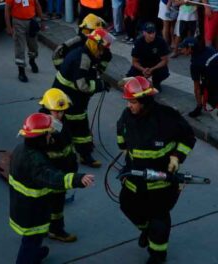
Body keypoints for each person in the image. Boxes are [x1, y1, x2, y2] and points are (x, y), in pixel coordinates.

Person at [116, 76, 196, 264]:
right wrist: (123, 147)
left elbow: (188, 138)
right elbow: (121, 134)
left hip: (161, 183)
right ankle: (146, 229)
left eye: (133, 102)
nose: (129, 106)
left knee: (159, 221)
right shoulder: (127, 116)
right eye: (128, 101)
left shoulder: (167, 117)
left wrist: (177, 157)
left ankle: (157, 255)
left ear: (144, 101)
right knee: (127, 206)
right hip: (134, 178)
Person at [10, 113, 95, 264]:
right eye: (49, 134)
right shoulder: (36, 161)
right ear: (40, 137)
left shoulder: (20, 150)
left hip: (22, 207)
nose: (51, 137)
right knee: (31, 241)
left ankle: (35, 254)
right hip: (33, 212)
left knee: (32, 239)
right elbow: (52, 178)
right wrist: (77, 179)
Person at [52, 28, 114, 168]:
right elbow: (82, 85)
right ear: (94, 45)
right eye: (101, 48)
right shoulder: (83, 58)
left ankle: (79, 152)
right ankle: (84, 155)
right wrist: (100, 85)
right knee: (79, 126)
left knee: (68, 124)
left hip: (68, 96)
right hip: (70, 98)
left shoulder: (86, 54)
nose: (102, 52)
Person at [38, 88, 79, 243]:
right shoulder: (43, 128)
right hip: (51, 174)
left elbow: (68, 147)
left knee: (57, 203)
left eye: (62, 112)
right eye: (56, 112)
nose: (60, 115)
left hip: (62, 170)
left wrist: (73, 165)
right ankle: (55, 230)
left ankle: (51, 228)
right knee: (52, 204)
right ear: (47, 109)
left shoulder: (63, 122)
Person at [178, 37, 218, 118]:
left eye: (182, 48)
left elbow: (196, 88)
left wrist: (198, 107)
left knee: (203, 90)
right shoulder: (209, 49)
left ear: (190, 48)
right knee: (208, 81)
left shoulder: (195, 64)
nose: (181, 51)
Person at [5, 0, 44, 82]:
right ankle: (21, 71)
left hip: (31, 21)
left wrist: (42, 21)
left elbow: (37, 5)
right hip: (18, 22)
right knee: (20, 48)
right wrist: (9, 27)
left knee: (33, 46)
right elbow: (7, 9)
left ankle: (32, 61)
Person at [126, 22, 170, 91]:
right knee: (130, 76)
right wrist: (143, 69)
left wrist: (152, 69)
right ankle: (141, 82)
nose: (152, 35)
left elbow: (164, 60)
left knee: (164, 73)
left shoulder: (161, 41)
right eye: (149, 33)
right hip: (142, 64)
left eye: (153, 32)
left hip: (155, 65)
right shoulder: (138, 42)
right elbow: (134, 61)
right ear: (144, 33)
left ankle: (156, 82)